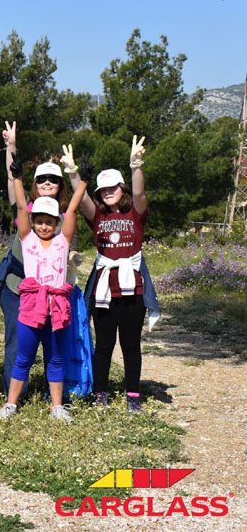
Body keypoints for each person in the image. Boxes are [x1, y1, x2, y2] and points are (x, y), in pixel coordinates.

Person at [0, 155, 88, 424]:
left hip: (57, 307)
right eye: (39, 221)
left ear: (57, 223)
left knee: (55, 357)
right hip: (31, 306)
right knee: (23, 356)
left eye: (49, 221)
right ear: (33, 222)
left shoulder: (62, 241)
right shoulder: (27, 240)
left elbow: (71, 209)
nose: (44, 225)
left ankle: (57, 407)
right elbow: (22, 207)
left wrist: (84, 181)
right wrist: (17, 176)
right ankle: (11, 403)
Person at [69, 136, 156, 412]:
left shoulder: (135, 214)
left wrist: (136, 166)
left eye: (112, 188)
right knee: (104, 344)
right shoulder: (97, 216)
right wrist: (73, 173)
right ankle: (100, 393)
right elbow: (80, 198)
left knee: (131, 344)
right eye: (102, 189)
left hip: (133, 289)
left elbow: (141, 195)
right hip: (104, 288)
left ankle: (133, 395)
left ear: (122, 188)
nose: (107, 192)